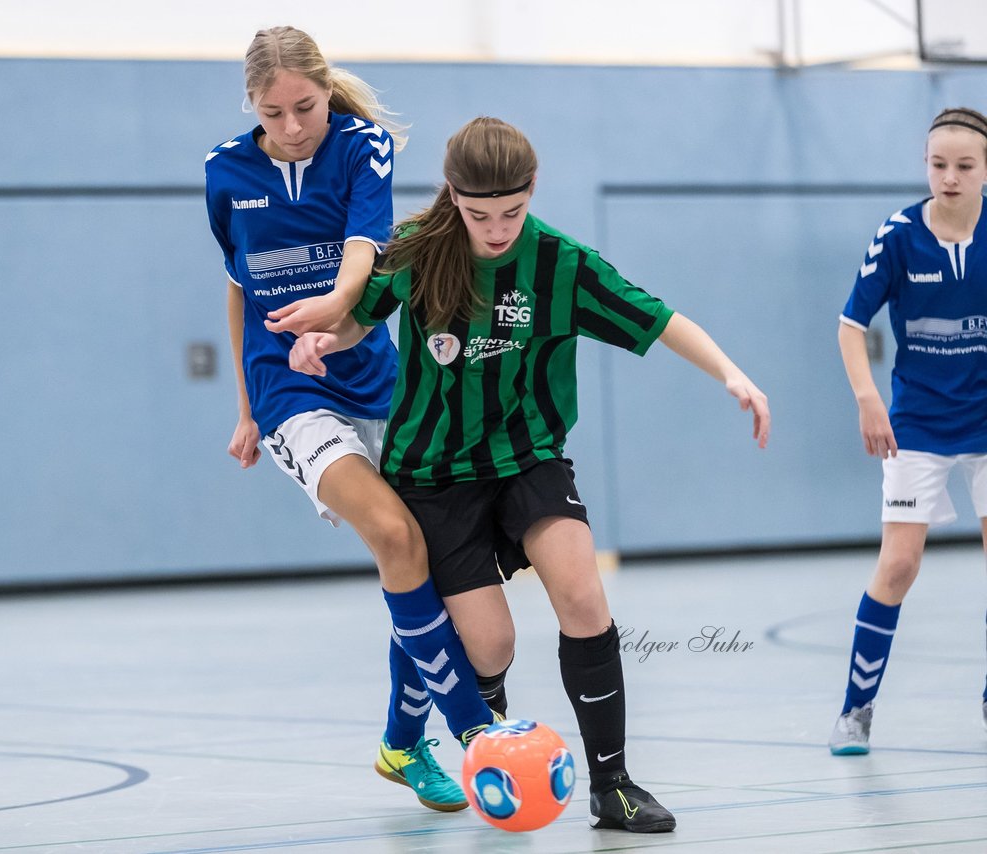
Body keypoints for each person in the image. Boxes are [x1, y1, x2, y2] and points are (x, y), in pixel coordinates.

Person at [285, 116, 771, 834]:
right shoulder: (419, 251)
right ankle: (488, 752)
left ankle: (614, 786)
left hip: (529, 459)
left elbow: (660, 319)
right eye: (480, 214)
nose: (496, 228)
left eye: (511, 212)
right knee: (493, 644)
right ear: (453, 196)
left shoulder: (561, 264)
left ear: (532, 190)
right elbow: (362, 313)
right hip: (432, 473)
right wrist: (330, 335)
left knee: (581, 595)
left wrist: (732, 373)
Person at [203, 26, 496, 813]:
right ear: (251, 106)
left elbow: (367, 249)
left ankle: (402, 743)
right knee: (396, 539)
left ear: (327, 90)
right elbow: (238, 286)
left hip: (378, 380)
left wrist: (335, 313)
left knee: (425, 562)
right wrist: (245, 408)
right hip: (288, 392)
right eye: (274, 112)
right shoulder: (223, 172)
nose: (292, 126)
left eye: (305, 106)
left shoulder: (362, 145)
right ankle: (478, 734)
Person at [829, 106, 987, 755]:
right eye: (937, 165)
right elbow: (850, 325)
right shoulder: (896, 236)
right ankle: (854, 712)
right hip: (917, 420)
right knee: (898, 564)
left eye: (964, 166)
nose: (948, 178)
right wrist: (869, 399)